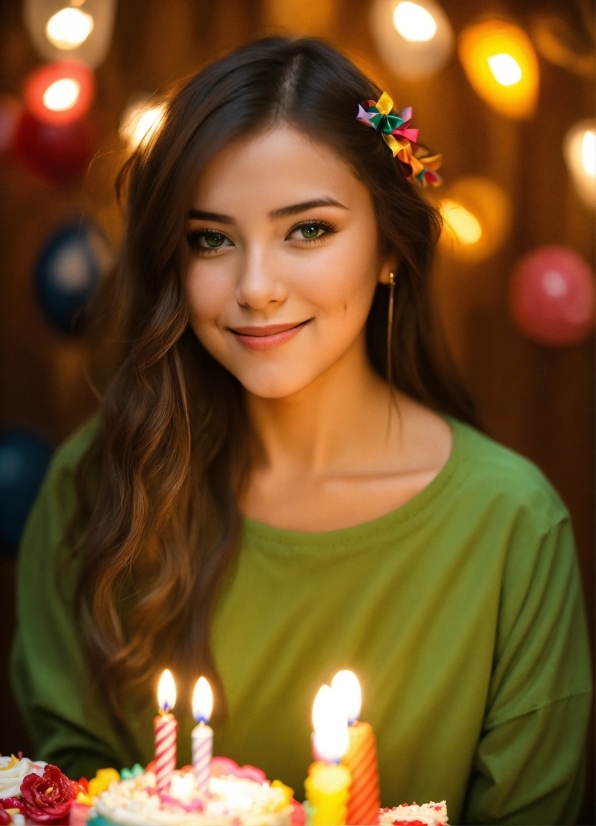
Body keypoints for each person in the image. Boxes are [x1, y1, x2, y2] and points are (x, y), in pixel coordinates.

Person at [10, 36, 592, 825]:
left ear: (389, 244)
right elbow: (65, 792)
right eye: (210, 239)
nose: (256, 288)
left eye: (308, 230)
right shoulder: (97, 483)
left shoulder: (512, 528)